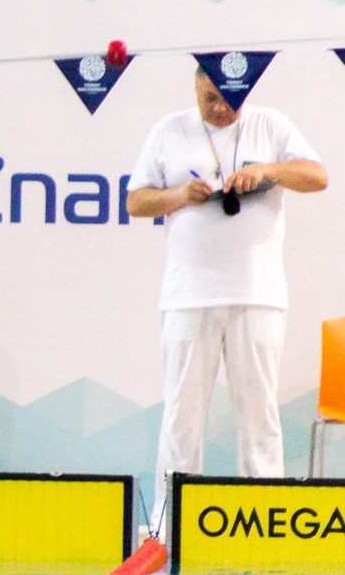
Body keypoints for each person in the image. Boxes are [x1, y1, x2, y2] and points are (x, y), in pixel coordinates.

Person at [126, 66, 327, 529]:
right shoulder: (169, 130)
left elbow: (317, 176)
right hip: (187, 296)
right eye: (208, 99)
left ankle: (267, 519)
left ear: (244, 91)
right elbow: (135, 202)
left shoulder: (270, 124)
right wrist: (180, 195)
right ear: (195, 91)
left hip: (257, 294)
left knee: (259, 415)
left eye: (226, 99)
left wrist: (267, 170)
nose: (218, 108)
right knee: (181, 415)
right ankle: (168, 523)